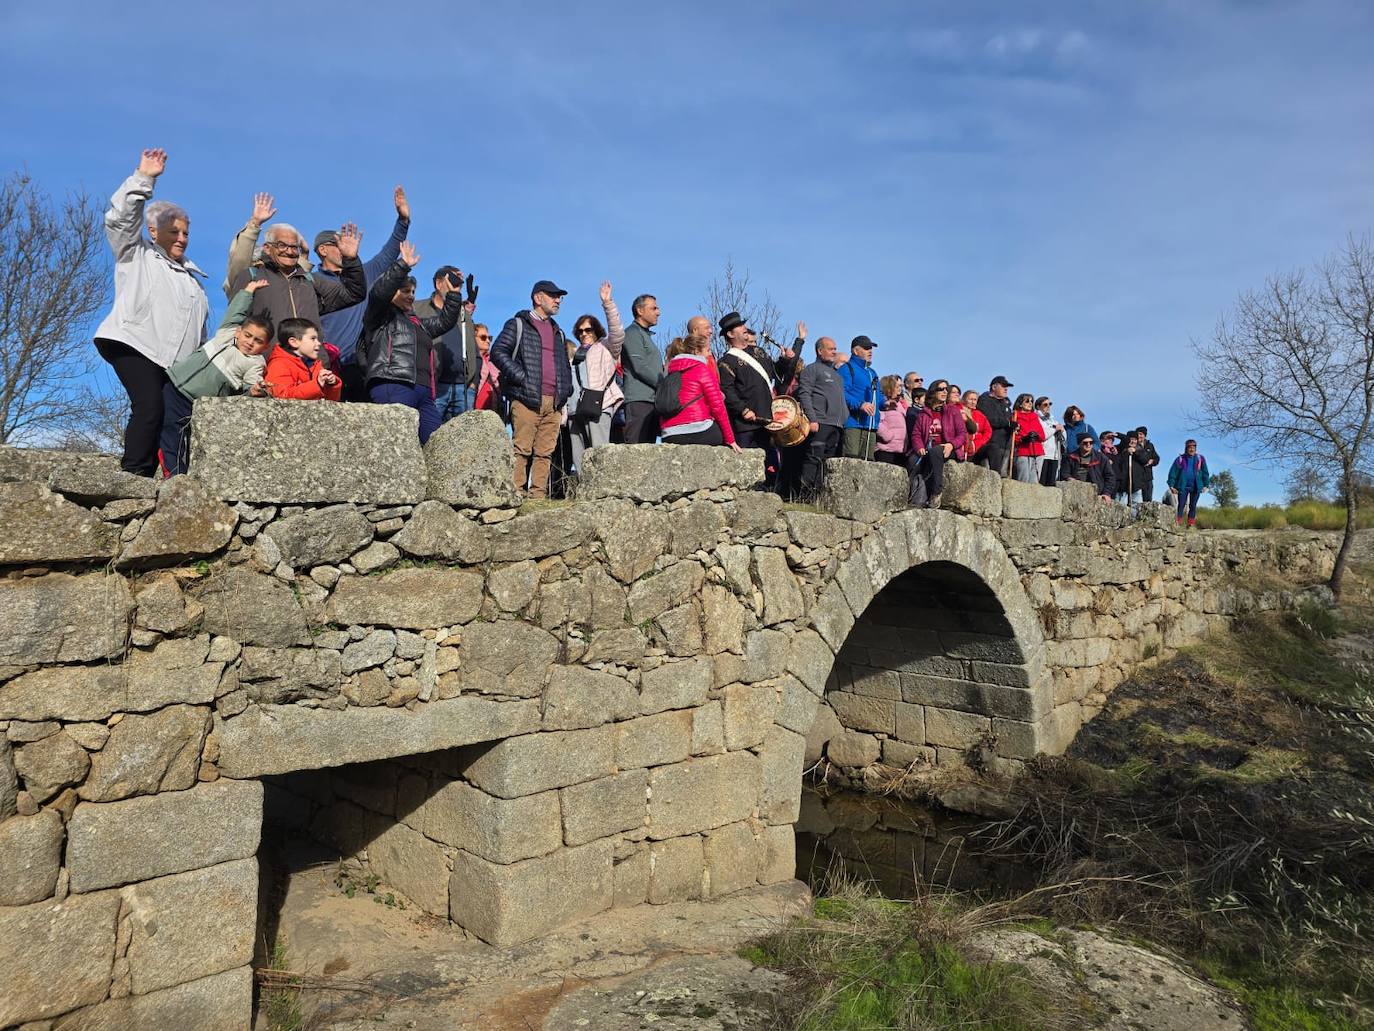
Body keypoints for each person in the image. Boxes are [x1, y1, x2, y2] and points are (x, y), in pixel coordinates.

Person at [94, 148, 210, 477]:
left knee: (174, 417)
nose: (182, 238)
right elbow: (120, 220)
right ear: (155, 232)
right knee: (149, 407)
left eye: (186, 232)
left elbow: (199, 334)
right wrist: (144, 179)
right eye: (174, 231)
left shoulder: (193, 282)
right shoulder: (136, 253)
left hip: (172, 362)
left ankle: (175, 477)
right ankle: (135, 475)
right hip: (134, 343)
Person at [159, 281, 273, 475]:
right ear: (239, 332)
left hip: (194, 402)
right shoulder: (227, 335)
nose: (250, 342)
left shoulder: (254, 362)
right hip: (174, 383)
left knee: (177, 434)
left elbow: (247, 389)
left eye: (258, 341)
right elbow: (235, 313)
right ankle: (155, 462)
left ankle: (176, 474)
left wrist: (254, 391)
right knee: (158, 423)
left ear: (265, 346)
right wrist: (248, 290)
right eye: (248, 335)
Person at [357, 242, 463, 443]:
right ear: (393, 293)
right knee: (396, 443)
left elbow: (445, 321)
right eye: (405, 291)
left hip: (423, 391)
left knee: (435, 444)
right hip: (393, 383)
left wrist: (454, 294)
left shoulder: (418, 323)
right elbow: (379, 293)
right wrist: (403, 265)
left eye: (413, 292)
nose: (411, 296)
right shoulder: (380, 315)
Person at [314, 186, 411, 397]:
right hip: (322, 363)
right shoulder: (313, 281)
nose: (346, 246)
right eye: (338, 243)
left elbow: (388, 253)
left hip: (358, 365)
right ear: (322, 250)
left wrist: (402, 221)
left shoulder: (364, 274)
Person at [490, 280, 573, 499]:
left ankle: (538, 497)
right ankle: (516, 495)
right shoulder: (518, 324)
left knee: (545, 453)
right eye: (553, 295)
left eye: (559, 297)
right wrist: (521, 378)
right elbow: (498, 352)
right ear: (538, 298)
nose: (557, 300)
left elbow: (564, 364)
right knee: (521, 450)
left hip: (553, 402)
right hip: (526, 399)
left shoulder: (559, 332)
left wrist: (566, 390)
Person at [569, 283, 625, 470]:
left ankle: (602, 490)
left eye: (588, 330)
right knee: (579, 453)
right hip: (575, 408)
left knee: (599, 450)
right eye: (580, 331)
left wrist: (607, 303)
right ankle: (582, 488)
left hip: (599, 403)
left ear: (596, 331)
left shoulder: (606, 347)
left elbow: (617, 332)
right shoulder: (575, 354)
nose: (584, 334)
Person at [658, 331, 740, 449]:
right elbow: (717, 406)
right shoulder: (702, 369)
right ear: (697, 351)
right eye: (707, 350)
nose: (709, 354)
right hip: (698, 429)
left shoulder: (670, 371)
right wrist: (730, 439)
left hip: (669, 433)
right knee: (721, 435)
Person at [415, 265, 476, 422]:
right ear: (438, 283)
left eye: (459, 284)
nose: (456, 287)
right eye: (452, 281)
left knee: (463, 440)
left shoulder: (464, 315)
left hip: (463, 388)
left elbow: (474, 351)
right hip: (434, 386)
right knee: (428, 434)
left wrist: (473, 383)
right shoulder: (418, 309)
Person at [223, 193, 308, 298]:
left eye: (294, 247)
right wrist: (254, 223)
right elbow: (240, 260)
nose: (289, 251)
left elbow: (297, 279)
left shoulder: (286, 278)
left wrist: (304, 255)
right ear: (267, 248)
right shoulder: (251, 276)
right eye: (282, 245)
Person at [717, 311, 782, 449]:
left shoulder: (759, 352)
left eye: (742, 324)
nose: (744, 327)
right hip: (744, 426)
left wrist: (786, 360)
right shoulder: (726, 361)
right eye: (739, 326)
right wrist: (743, 410)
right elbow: (726, 390)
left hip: (768, 421)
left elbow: (775, 373)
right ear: (730, 334)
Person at [795, 337, 847, 495]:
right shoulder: (812, 369)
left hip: (836, 425)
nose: (834, 352)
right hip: (820, 422)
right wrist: (812, 418)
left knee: (826, 462)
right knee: (813, 458)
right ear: (820, 351)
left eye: (835, 348)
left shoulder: (837, 375)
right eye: (831, 349)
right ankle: (805, 496)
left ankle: (819, 496)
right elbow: (804, 394)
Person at [908, 379, 967, 509]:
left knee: (936, 452)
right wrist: (919, 447)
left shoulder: (953, 411)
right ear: (933, 392)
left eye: (946, 389)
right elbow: (916, 434)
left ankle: (936, 492)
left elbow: (962, 434)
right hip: (927, 448)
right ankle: (914, 498)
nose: (945, 391)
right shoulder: (924, 414)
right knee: (912, 460)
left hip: (948, 449)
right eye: (941, 389)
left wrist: (951, 444)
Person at [621, 293, 663, 443]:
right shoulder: (632, 333)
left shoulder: (644, 335)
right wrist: (664, 384)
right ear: (640, 311)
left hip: (651, 401)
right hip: (639, 401)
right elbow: (639, 366)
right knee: (635, 448)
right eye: (654, 308)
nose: (658, 312)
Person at [264, 318, 341, 400]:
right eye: (313, 338)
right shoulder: (279, 365)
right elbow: (282, 396)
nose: (318, 343)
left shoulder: (315, 365)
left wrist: (332, 385)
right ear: (294, 342)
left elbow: (331, 402)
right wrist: (316, 385)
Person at [838, 335, 881, 460]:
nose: (870, 351)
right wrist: (860, 404)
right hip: (853, 424)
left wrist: (886, 403)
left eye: (871, 348)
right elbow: (841, 393)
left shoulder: (872, 372)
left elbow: (878, 396)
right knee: (851, 461)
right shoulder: (846, 369)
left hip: (870, 425)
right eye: (866, 348)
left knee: (868, 464)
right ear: (855, 351)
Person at [1167, 440, 1211, 527]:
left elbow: (1205, 472)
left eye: (1193, 448)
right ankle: (1177, 523)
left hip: (1196, 486)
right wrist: (1171, 485)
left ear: (1195, 448)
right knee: (1181, 505)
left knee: (1193, 505)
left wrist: (1206, 484)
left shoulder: (1200, 458)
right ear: (1186, 448)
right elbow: (1173, 473)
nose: (1192, 449)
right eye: (1190, 447)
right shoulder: (1180, 459)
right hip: (1183, 486)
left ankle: (1190, 524)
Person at [976, 375, 1014, 475]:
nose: (1006, 389)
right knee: (989, 475)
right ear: (994, 387)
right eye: (1003, 386)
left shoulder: (1006, 404)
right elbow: (988, 419)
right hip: (990, 444)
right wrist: (1007, 423)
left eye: (1007, 387)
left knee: (1002, 475)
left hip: (1005, 445)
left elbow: (1008, 421)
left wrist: (1013, 426)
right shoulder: (984, 400)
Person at [874, 375, 908, 465]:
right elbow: (877, 421)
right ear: (888, 388)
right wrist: (887, 436)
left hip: (900, 450)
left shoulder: (900, 404)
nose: (900, 389)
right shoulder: (882, 403)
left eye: (901, 386)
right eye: (897, 387)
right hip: (886, 450)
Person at [1011, 393, 1045, 483]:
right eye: (1027, 401)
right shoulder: (1014, 416)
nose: (1030, 403)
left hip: (1037, 451)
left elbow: (1042, 435)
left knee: (1035, 481)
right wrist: (1022, 439)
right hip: (1022, 451)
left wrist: (1037, 435)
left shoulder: (1035, 416)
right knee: (1023, 479)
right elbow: (1012, 436)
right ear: (1020, 403)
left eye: (1031, 401)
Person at [1065, 433, 1113, 497]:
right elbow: (1065, 473)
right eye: (1085, 443)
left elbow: (1110, 477)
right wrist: (1069, 478)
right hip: (1076, 492)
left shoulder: (1101, 458)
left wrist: (1106, 493)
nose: (1088, 444)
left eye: (1091, 442)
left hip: (1096, 493)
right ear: (1079, 444)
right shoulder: (1070, 457)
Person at [471, 323, 503, 416]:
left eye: (490, 338)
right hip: (473, 408)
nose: (488, 341)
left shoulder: (494, 362)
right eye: (483, 337)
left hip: (492, 411)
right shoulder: (469, 359)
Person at [1036, 396, 1064, 486]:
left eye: (1049, 404)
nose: (1048, 406)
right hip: (1043, 454)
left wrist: (1061, 430)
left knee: (1051, 484)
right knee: (1042, 482)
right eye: (1045, 404)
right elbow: (1043, 434)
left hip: (1054, 455)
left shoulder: (1053, 420)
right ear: (1038, 406)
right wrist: (1055, 429)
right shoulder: (1037, 419)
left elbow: (1063, 436)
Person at [960, 389, 990, 462]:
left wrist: (980, 442)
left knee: (992, 448)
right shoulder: (959, 411)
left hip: (977, 448)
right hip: (962, 447)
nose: (973, 402)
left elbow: (988, 431)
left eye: (975, 400)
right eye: (970, 399)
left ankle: (996, 473)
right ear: (964, 400)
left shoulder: (980, 415)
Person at [1135, 425, 1161, 504]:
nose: (1139, 436)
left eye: (1141, 434)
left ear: (1144, 435)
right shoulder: (1133, 445)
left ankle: (1146, 516)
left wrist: (1152, 461)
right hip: (1136, 477)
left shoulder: (1150, 445)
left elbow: (1157, 458)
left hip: (1148, 477)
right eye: (1138, 434)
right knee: (1135, 501)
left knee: (1148, 501)